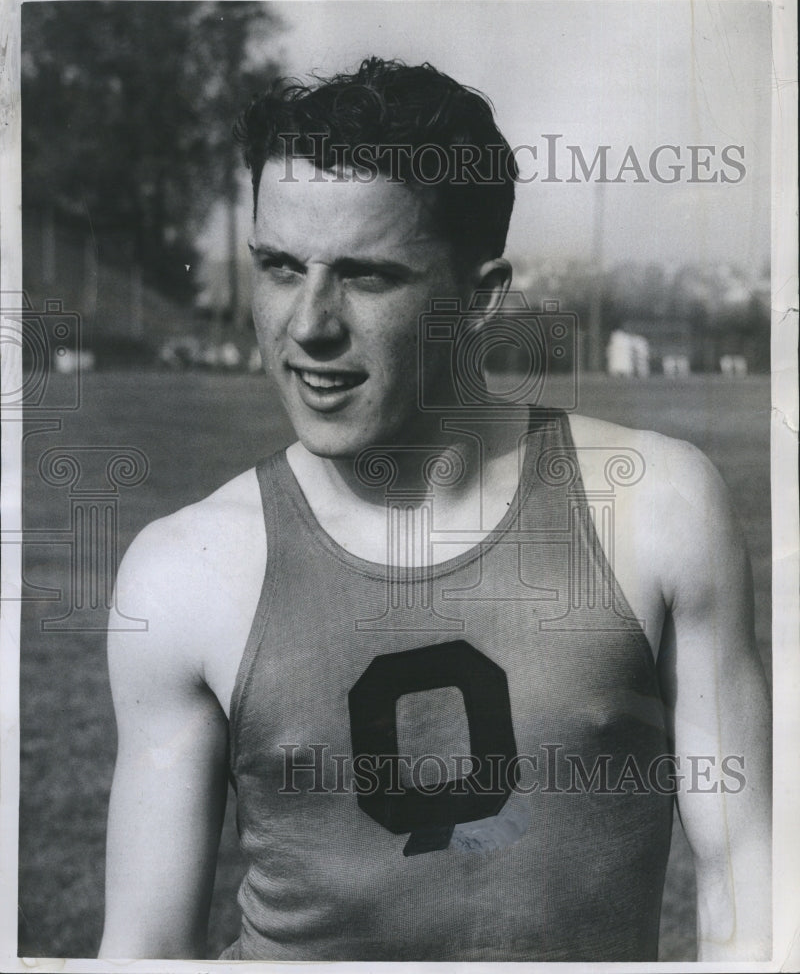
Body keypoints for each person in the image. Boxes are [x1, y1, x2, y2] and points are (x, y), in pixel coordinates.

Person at [98, 57, 771, 962]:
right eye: (280, 267)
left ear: (480, 298)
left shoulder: (658, 510)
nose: (308, 324)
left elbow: (755, 884)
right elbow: (142, 950)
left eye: (367, 277)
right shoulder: (182, 573)